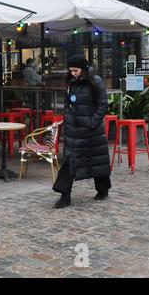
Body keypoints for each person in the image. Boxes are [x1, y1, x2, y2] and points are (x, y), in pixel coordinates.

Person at [52, 54, 111, 208]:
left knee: (97, 159)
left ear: (83, 68)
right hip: (73, 130)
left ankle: (103, 189)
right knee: (69, 161)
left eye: (76, 70)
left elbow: (103, 105)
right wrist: (67, 118)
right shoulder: (71, 83)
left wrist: (92, 122)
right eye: (71, 71)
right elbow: (67, 104)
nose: (73, 73)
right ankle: (65, 196)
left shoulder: (96, 81)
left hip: (91, 130)